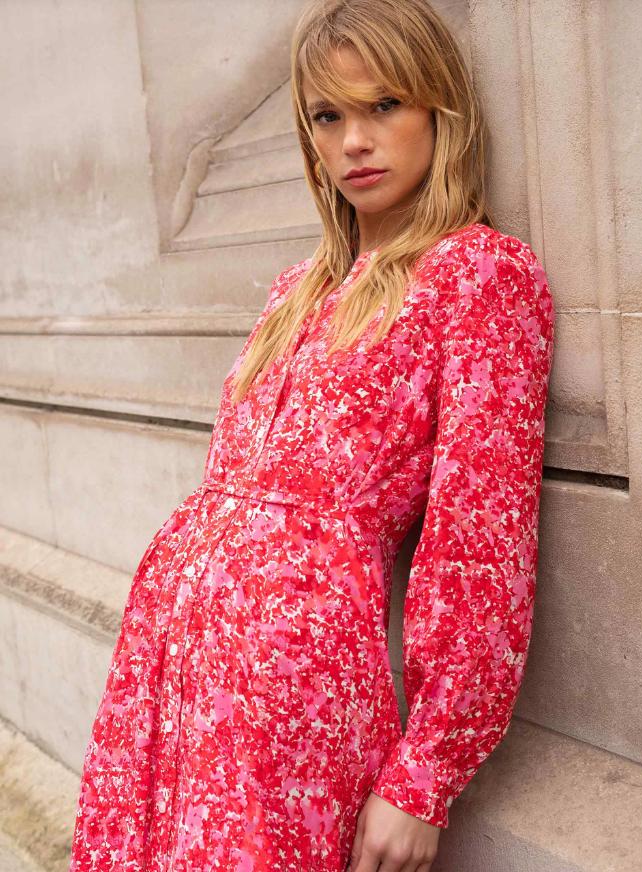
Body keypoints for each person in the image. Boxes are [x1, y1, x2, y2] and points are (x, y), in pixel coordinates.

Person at [68, 0, 555, 870]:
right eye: (328, 117)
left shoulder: (477, 275)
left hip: (292, 697)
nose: (354, 142)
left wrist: (424, 775)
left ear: (439, 108)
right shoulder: (298, 287)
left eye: (383, 106)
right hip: (174, 677)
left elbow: (480, 542)